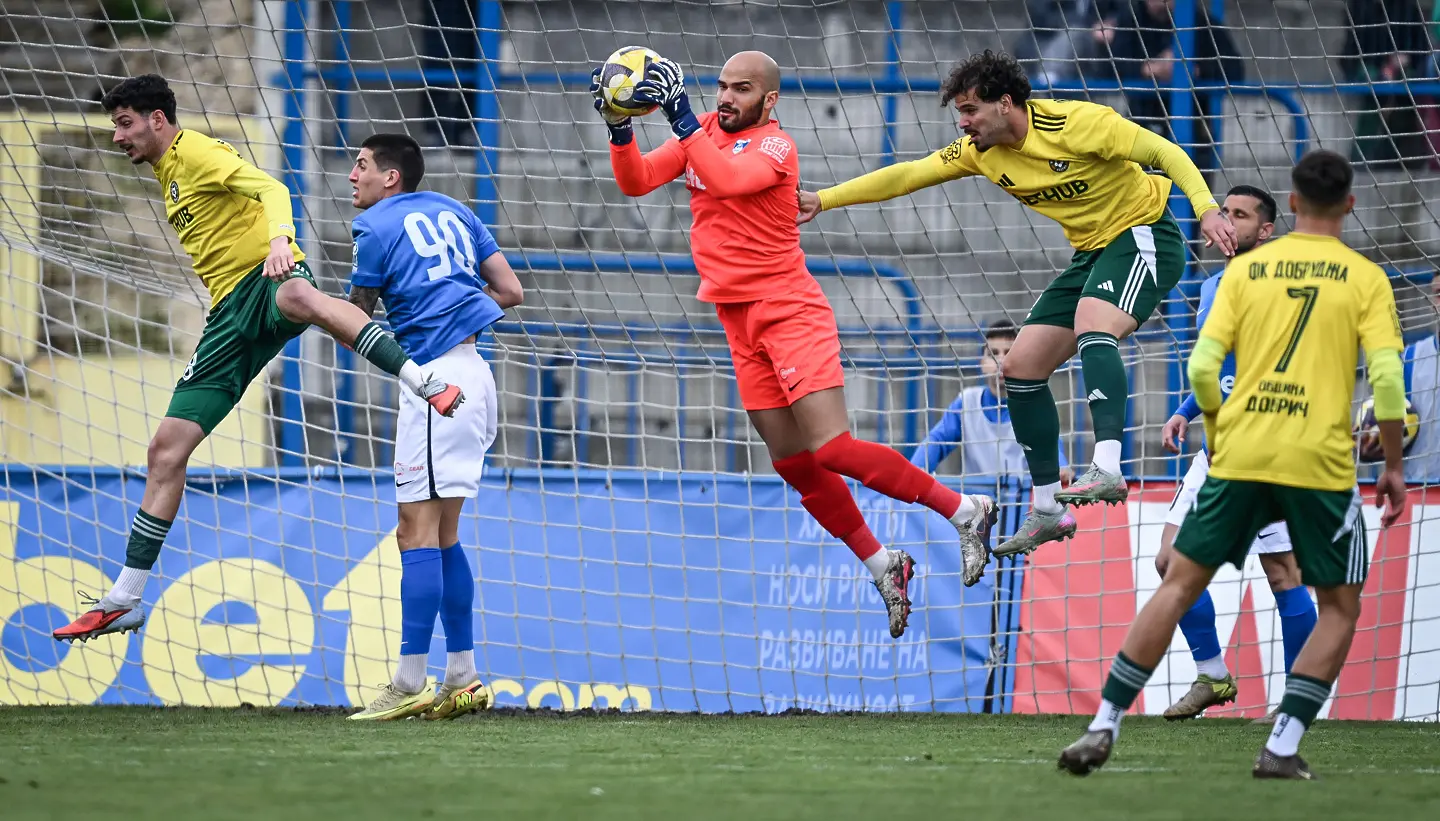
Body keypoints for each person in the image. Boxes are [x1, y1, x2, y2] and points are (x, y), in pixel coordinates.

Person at [592, 51, 1000, 632]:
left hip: (789, 312)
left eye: (741, 89)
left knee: (832, 448)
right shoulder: (703, 132)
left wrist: (680, 115)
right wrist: (620, 127)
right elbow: (635, 181)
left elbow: (731, 182)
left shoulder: (776, 148)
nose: (726, 98)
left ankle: (965, 510)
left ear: (770, 99)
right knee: (795, 464)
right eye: (721, 87)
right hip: (738, 320)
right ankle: (885, 563)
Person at [53, 75, 463, 643]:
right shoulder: (169, 173)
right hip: (228, 317)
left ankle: (423, 380)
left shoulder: (193, 149)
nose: (118, 137)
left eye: (125, 124)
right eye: (114, 125)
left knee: (298, 295)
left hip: (268, 278)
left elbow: (271, 188)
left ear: (157, 120)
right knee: (166, 450)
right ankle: (125, 597)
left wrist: (279, 242)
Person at [797, 50, 1237, 560]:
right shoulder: (978, 151)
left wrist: (1205, 209)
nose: (963, 123)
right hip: (1093, 251)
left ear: (1005, 103)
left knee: (1095, 323)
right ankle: (1048, 507)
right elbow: (907, 175)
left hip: (1146, 231)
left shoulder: (1078, 122)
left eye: (969, 110)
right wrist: (824, 199)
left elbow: (1166, 152)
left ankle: (1109, 466)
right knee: (1021, 368)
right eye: (959, 113)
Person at [1059, 150, 1408, 780]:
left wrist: (1216, 426)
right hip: (1317, 458)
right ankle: (1283, 741)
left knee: (1179, 580)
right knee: (1338, 605)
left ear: (1292, 207)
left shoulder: (1245, 275)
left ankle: (1103, 724)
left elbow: (1201, 365)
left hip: (1238, 448)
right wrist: (1393, 466)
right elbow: (1385, 378)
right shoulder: (1366, 280)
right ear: (1350, 206)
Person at [343, 134, 524, 721]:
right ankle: (463, 676)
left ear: (391, 178)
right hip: (475, 372)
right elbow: (510, 291)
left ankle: (408, 681)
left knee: (412, 531)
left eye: (363, 165)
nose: (353, 175)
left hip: (433, 384)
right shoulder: (458, 211)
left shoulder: (373, 228)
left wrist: (296, 300)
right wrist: (457, 308)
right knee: (444, 535)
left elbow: (357, 315)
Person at [1157, 185, 1317, 724]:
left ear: (1265, 230)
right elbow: (1218, 362)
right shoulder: (1211, 286)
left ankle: (1298, 700)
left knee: (1283, 575)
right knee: (1168, 560)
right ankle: (1213, 674)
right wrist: (1185, 409)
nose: (1226, 220)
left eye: (1239, 214)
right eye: (1222, 211)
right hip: (1216, 448)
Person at [910, 319, 1075, 487]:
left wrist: (1060, 466)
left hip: (1022, 504)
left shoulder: (1033, 404)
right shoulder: (967, 403)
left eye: (1009, 352)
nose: (1001, 361)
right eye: (993, 353)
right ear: (982, 363)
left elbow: (1051, 443)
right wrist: (916, 469)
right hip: (977, 505)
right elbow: (937, 440)